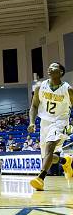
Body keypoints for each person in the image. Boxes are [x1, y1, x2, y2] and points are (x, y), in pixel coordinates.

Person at [28, 62, 73, 191]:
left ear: (61, 72)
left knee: (50, 147)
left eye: (54, 66)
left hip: (60, 121)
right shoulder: (40, 87)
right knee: (47, 156)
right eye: (49, 67)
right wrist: (32, 122)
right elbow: (34, 105)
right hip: (45, 123)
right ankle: (66, 161)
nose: (50, 68)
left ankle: (40, 178)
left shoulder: (67, 89)